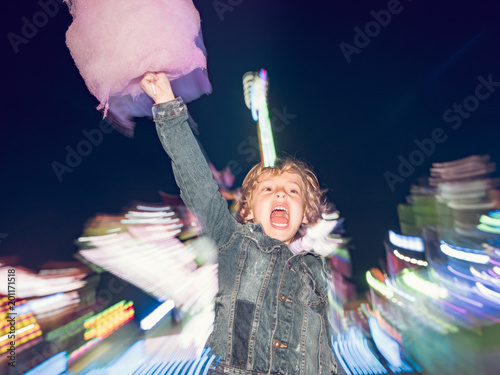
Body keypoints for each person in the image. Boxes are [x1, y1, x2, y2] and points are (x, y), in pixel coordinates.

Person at [140, 72, 341, 375]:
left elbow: (321, 352)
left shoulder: (313, 271)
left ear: (305, 213)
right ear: (248, 211)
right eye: (268, 190)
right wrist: (168, 106)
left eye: (292, 191)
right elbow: (199, 187)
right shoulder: (234, 242)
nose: (281, 195)